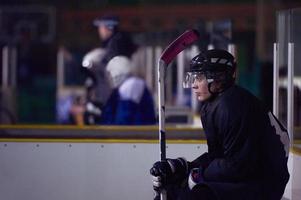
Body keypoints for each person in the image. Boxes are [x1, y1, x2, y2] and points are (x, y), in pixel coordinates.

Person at [150, 49, 290, 200]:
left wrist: (196, 174)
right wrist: (182, 166)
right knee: (172, 191)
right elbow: (219, 157)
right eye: (193, 78)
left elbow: (238, 166)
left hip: (263, 184)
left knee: (196, 196)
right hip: (246, 177)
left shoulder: (232, 105)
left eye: (199, 78)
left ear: (218, 79)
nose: (194, 85)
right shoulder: (214, 105)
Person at [101, 56, 156, 125]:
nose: (109, 77)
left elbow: (124, 120)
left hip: (136, 133)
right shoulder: (124, 87)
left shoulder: (132, 84)